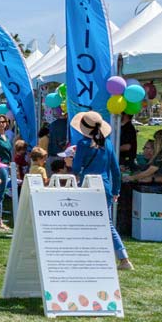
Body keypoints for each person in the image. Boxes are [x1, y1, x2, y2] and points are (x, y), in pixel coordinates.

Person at [70, 112, 133, 270]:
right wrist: (116, 190)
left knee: (85, 222)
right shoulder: (109, 144)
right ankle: (121, 257)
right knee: (106, 223)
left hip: (88, 185)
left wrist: (71, 160)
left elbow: (76, 168)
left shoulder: (83, 144)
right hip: (104, 186)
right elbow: (116, 170)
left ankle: (122, 258)